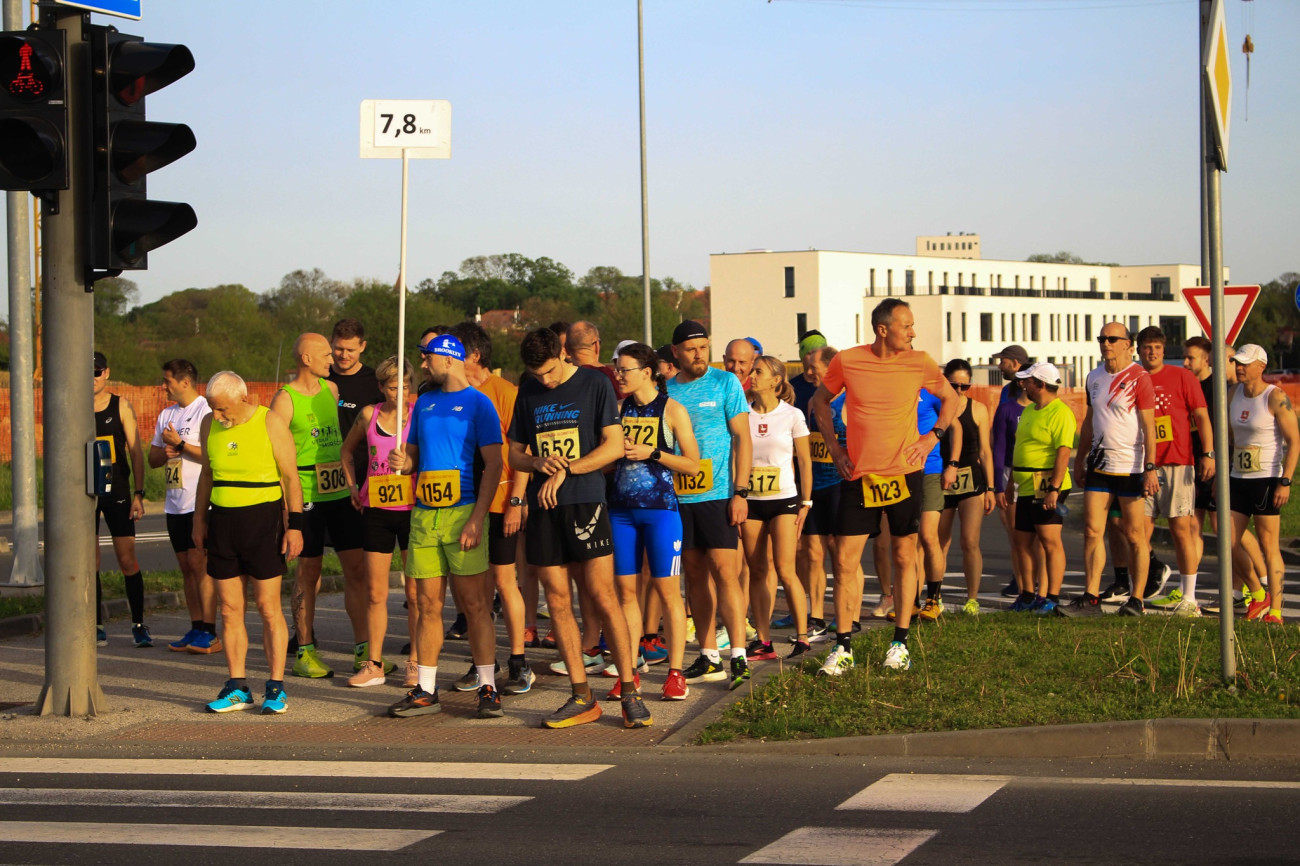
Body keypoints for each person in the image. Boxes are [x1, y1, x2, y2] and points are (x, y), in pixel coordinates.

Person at [508, 328, 651, 728]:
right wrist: (537, 465)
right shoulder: (530, 390)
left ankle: (630, 690)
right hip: (544, 507)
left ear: (563, 354)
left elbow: (613, 446)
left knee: (603, 595)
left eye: (550, 372)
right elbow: (515, 453)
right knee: (556, 599)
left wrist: (568, 468)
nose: (546, 381)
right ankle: (580, 694)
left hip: (585, 501)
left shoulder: (594, 383)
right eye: (538, 375)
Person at [809, 298, 958, 674]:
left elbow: (952, 399)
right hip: (860, 476)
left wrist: (931, 438)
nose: (913, 332)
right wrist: (834, 446)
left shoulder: (918, 361)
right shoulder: (848, 360)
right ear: (883, 329)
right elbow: (820, 401)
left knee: (905, 555)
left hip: (903, 474)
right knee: (843, 561)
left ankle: (900, 643)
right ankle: (843, 647)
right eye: (906, 326)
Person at [386, 334, 506, 718]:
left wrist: (476, 519)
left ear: (449, 360)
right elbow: (414, 459)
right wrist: (402, 463)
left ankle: (488, 686)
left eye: (427, 359)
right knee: (426, 604)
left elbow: (494, 465)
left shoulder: (479, 403)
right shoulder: (423, 402)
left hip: (463, 513)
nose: (423, 366)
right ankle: (425, 688)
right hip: (424, 514)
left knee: (474, 605)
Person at [193, 371, 304, 714]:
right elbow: (207, 475)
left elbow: (290, 476)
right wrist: (199, 519)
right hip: (223, 521)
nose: (219, 416)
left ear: (242, 398)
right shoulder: (210, 423)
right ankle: (237, 685)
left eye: (223, 409)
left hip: (263, 520)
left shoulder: (269, 421)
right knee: (229, 608)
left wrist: (295, 526)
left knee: (268, 607)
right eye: (214, 409)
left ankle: (276, 686)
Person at [270, 333, 367, 678]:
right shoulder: (284, 400)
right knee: (308, 573)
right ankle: (305, 650)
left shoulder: (332, 391)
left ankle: (363, 651)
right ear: (306, 358)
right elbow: (278, 460)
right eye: (326, 354)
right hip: (306, 493)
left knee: (357, 570)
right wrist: (288, 514)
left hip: (339, 491)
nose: (333, 359)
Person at [609, 342, 701, 701]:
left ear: (647, 372)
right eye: (617, 368)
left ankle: (676, 672)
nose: (618, 374)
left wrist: (654, 453)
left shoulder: (672, 410)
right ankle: (629, 672)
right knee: (625, 594)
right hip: (621, 512)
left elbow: (692, 463)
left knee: (667, 592)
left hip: (661, 511)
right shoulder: (617, 410)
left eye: (624, 369)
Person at [448, 321, 535, 696]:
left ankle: (518, 662)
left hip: (501, 503)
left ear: (474, 356)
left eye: (454, 354)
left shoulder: (506, 393)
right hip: (465, 505)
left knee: (503, 581)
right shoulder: (452, 395)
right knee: (474, 589)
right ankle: (483, 663)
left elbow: (522, 453)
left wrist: (517, 500)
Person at [666, 321, 754, 691]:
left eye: (704, 346)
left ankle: (738, 656)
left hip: (717, 495)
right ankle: (708, 655)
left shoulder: (725, 383)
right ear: (676, 354)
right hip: (677, 497)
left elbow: (743, 438)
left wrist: (741, 492)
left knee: (725, 573)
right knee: (695, 577)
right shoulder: (665, 391)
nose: (699, 353)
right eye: (691, 348)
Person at [1059, 322, 1160, 618]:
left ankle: (1137, 599)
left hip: (1130, 466)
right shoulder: (1094, 377)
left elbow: (1148, 426)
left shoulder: (1139, 377)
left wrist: (1150, 467)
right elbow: (1090, 422)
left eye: (1112, 339)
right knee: (1092, 530)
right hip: (1100, 465)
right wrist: (1079, 460)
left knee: (1134, 533)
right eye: (1102, 338)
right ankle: (1091, 597)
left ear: (1128, 344)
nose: (1106, 343)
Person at [340, 356, 416, 688]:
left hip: (412, 511)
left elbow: (429, 455)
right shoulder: (369, 415)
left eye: (404, 385)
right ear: (382, 387)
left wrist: (411, 462)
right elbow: (346, 452)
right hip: (377, 511)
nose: (399, 392)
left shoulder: (419, 415)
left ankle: (416, 662)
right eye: (392, 386)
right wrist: (353, 487)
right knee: (375, 592)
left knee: (414, 594)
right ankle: (374, 664)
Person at [1133, 326, 1215, 617]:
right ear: (1138, 351)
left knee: (1182, 530)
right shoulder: (1133, 379)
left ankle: (1189, 597)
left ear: (1164, 350)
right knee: (1139, 532)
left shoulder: (1182, 376)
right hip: (1142, 466)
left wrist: (1208, 453)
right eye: (1146, 347)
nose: (1152, 352)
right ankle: (1138, 595)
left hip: (1178, 462)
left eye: (1156, 346)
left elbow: (1202, 416)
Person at [1183, 337, 1267, 611]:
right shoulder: (1205, 386)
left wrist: (1216, 459)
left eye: (1191, 358)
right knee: (1199, 528)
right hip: (1200, 464)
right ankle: (1194, 593)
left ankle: (1259, 584)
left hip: (1226, 467)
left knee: (1228, 531)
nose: (1185, 362)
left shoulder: (1225, 390)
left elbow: (1228, 433)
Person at [742, 355, 814, 660]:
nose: (752, 375)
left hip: (783, 499)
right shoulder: (741, 413)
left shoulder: (792, 415)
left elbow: (805, 462)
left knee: (785, 568)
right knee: (757, 570)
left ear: (776, 380)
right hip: (750, 500)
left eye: (759, 371)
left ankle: (802, 636)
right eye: (752, 371)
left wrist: (805, 503)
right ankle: (764, 640)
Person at [147, 358, 220, 654]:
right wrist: (166, 452)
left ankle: (210, 631)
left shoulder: (206, 411)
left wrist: (180, 446)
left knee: (200, 565)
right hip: (174, 504)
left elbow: (211, 456)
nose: (163, 386)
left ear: (185, 382)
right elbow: (153, 458)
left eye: (167, 381)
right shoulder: (166, 415)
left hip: (198, 501)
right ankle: (195, 625)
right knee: (185, 568)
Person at [1227, 344, 1300, 624]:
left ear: (1261, 366)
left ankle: (1277, 611)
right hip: (1237, 478)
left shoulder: (1276, 397)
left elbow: (1294, 442)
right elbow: (1230, 438)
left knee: (1269, 546)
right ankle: (1258, 595)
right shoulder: (1233, 394)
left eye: (1245, 363)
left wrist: (1286, 481)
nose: (1240, 367)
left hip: (1267, 479)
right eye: (1237, 362)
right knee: (1228, 541)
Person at [1001, 364, 1075, 615]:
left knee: (1049, 540)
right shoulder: (1031, 410)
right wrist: (1011, 481)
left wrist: (1054, 488)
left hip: (1047, 483)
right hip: (1025, 484)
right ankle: (1027, 594)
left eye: (1028, 382)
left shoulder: (1060, 412)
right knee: (1021, 540)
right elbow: (1020, 447)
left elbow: (1063, 452)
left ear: (1041, 384)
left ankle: (1051, 597)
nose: (1024, 386)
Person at [92, 351, 149, 648]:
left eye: (97, 372)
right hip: (84, 494)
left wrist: (139, 494)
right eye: (87, 372)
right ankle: (96, 625)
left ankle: (138, 624)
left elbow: (136, 452)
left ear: (107, 373)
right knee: (91, 562)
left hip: (117, 490)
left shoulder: (120, 405)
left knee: (127, 560)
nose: (92, 378)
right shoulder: (74, 406)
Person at [936, 359, 996, 615]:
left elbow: (985, 450)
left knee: (970, 540)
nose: (959, 391)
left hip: (972, 479)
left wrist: (991, 488)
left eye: (964, 386)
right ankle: (934, 595)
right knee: (939, 541)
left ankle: (972, 598)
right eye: (954, 385)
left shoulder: (979, 409)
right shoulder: (936, 406)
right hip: (942, 478)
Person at [794, 343, 838, 637]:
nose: (808, 373)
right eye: (807, 367)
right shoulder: (811, 403)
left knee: (842, 553)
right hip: (816, 484)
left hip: (841, 483)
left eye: (813, 367)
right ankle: (818, 617)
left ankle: (851, 614)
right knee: (813, 553)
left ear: (831, 368)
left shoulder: (850, 398)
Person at [990, 344, 1031, 598]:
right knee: (1012, 527)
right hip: (1007, 464)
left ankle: (1032, 579)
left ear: (1015, 363)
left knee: (1027, 528)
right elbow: (1000, 432)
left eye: (1003, 361)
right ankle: (1020, 576)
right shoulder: (1007, 392)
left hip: (1028, 466)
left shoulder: (1039, 393)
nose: (999, 366)